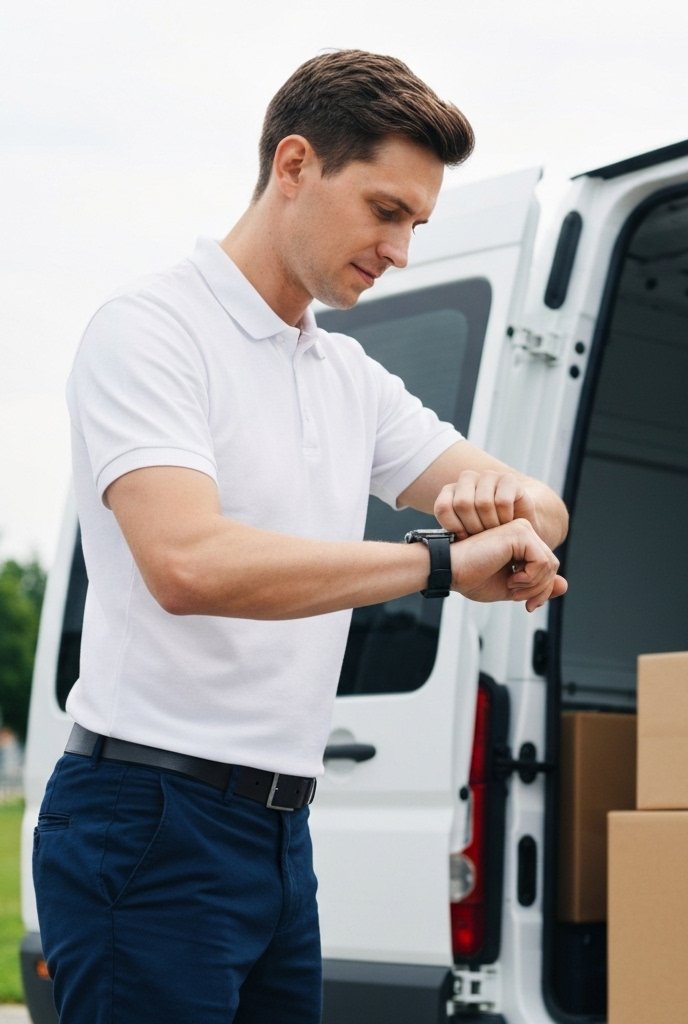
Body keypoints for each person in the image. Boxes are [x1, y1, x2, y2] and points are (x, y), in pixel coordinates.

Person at [33, 49, 568, 1024]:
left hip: (282, 831)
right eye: (385, 211)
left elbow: (541, 505)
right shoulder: (151, 331)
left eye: (416, 223)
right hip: (147, 817)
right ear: (294, 166)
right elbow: (188, 563)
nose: (400, 249)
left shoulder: (345, 376)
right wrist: (440, 562)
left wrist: (512, 502)